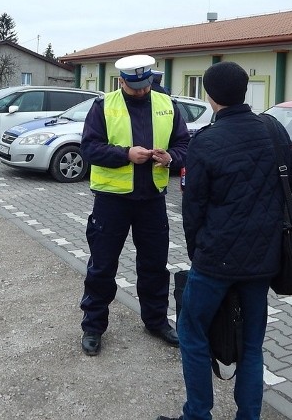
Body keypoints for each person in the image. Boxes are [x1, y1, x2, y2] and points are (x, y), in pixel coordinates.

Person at [157, 61, 292, 420]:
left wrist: (199, 256)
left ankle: (197, 414)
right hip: (264, 260)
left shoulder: (205, 141)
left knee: (192, 333)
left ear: (209, 96)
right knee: (252, 346)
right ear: (245, 90)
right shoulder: (273, 130)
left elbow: (193, 210)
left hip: (215, 261)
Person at [79, 54, 191, 356]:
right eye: (135, 87)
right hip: (111, 201)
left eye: (146, 85)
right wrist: (125, 154)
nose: (141, 91)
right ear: (121, 82)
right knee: (102, 266)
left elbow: (184, 146)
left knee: (154, 265)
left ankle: (155, 321)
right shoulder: (103, 106)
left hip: (152, 199)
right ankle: (93, 326)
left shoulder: (167, 105)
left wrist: (170, 158)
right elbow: (89, 149)